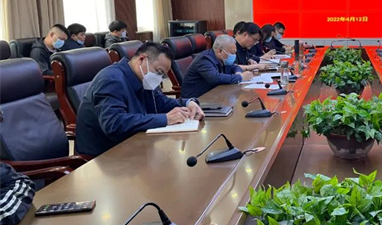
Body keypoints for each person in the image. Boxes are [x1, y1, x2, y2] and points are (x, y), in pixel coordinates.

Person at [75, 42, 204, 157]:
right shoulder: (111, 80)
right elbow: (114, 124)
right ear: (142, 59)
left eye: (163, 75)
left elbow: (161, 102)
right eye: (159, 72)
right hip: (104, 157)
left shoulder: (141, 78)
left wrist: (189, 103)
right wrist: (166, 119)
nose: (159, 78)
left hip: (131, 145)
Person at [181, 34, 253, 98]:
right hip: (196, 99)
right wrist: (240, 77)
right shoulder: (204, 59)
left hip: (214, 96)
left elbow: (235, 67)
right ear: (220, 51)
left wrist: (238, 73)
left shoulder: (223, 59)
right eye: (232, 53)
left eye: (235, 53)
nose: (234, 56)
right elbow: (216, 78)